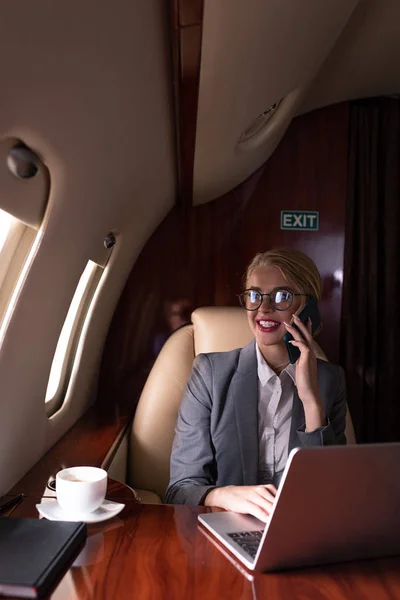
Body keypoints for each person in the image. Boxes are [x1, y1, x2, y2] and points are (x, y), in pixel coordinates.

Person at [164, 249, 347, 522]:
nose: (263, 308)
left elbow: (328, 493)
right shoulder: (210, 374)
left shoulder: (330, 381)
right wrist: (226, 494)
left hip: (298, 528)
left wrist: (311, 401)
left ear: (307, 307)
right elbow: (179, 491)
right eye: (254, 295)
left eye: (281, 296)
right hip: (221, 528)